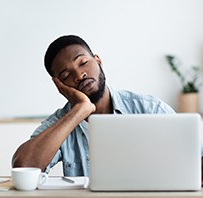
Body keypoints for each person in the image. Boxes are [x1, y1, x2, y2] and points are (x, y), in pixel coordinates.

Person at [12, 35, 175, 176]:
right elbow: (23, 167)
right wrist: (80, 110)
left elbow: (197, 153)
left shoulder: (149, 108)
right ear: (59, 85)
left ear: (98, 61)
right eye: (66, 75)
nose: (79, 75)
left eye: (83, 62)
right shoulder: (60, 122)